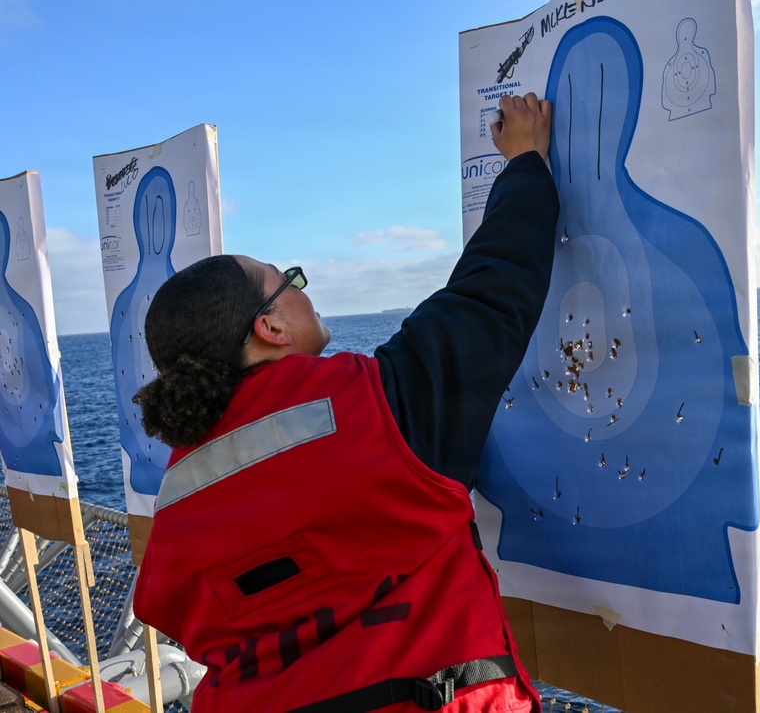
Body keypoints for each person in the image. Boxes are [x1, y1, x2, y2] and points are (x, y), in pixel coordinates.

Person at [131, 92, 559, 713]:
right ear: (270, 327)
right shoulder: (372, 412)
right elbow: (494, 289)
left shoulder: (177, 499)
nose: (305, 291)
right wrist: (524, 161)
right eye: (290, 281)